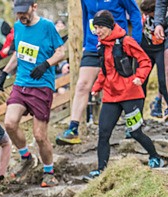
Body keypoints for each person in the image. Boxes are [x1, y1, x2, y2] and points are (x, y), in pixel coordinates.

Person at [85, 11, 164, 180]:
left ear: (109, 26)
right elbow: (104, 71)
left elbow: (145, 61)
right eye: (95, 28)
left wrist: (139, 77)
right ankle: (101, 170)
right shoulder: (101, 46)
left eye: (100, 27)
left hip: (131, 95)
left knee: (135, 132)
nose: (97, 31)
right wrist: (96, 87)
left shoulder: (126, 41)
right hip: (111, 97)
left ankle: (155, 157)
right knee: (104, 133)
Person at [0, 0, 66, 187]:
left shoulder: (47, 26)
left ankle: (49, 172)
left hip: (42, 85)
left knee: (40, 135)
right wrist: (4, 73)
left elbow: (61, 52)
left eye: (24, 12)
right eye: (18, 13)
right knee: (9, 123)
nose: (21, 16)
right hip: (21, 83)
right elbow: (18, 52)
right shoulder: (18, 26)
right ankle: (26, 157)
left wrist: (46, 65)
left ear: (34, 7)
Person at [56, 0, 142, 146]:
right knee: (82, 85)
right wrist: (84, 44)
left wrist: (135, 42)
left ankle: (133, 125)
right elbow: (86, 16)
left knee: (125, 87)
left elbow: (134, 13)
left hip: (117, 45)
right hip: (93, 46)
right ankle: (73, 129)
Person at [139, 0, 168, 117]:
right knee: (141, 81)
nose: (148, 16)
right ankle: (137, 115)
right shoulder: (144, 18)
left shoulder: (163, 17)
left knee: (163, 81)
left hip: (160, 49)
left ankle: (163, 105)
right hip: (146, 49)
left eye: (150, 13)